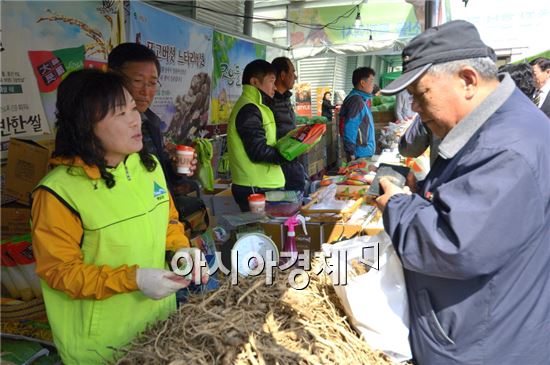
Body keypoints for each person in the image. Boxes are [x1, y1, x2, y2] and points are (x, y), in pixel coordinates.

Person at [377, 20, 550, 364]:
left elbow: (452, 245)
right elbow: (475, 208)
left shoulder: (506, 148)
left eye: (420, 94)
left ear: (467, 80)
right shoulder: (501, 127)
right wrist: (422, 190)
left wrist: (396, 204)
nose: (414, 108)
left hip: (484, 345)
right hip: (484, 328)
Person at [30, 69, 208, 364]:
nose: (135, 119)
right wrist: (134, 278)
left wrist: (181, 250)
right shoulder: (58, 193)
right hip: (100, 347)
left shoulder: (146, 168)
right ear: (86, 126)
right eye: (119, 113)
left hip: (157, 331)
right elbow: (60, 272)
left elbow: (168, 222)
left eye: (132, 108)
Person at [107, 43, 197, 194]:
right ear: (111, 77)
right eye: (137, 81)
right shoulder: (101, 127)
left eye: (153, 83)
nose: (146, 91)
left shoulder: (150, 123)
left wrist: (175, 170)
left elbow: (156, 175)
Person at [227, 59, 287, 211]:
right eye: (271, 82)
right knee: (262, 233)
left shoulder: (258, 107)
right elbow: (258, 151)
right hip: (255, 187)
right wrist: (287, 154)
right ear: (254, 82)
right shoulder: (249, 108)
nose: (274, 87)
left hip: (263, 184)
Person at [269, 56, 306, 193]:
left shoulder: (285, 98)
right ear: (283, 75)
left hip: (292, 161)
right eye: (293, 72)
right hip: (279, 164)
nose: (295, 77)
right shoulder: (270, 101)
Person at [339, 67, 376, 161]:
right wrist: (351, 152)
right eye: (371, 81)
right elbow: (350, 127)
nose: (373, 85)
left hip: (362, 151)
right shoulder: (356, 101)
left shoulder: (360, 99)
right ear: (362, 83)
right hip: (359, 153)